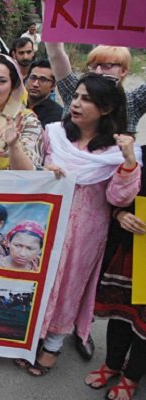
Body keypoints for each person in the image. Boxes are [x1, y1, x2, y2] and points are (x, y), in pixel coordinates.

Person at [16, 74, 142, 377]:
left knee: (70, 287)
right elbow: (31, 171)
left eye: (86, 99)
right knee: (39, 281)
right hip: (44, 225)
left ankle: (54, 346)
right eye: (76, 97)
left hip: (86, 233)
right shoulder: (54, 135)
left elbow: (118, 197)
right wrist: (44, 169)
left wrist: (127, 164)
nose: (76, 103)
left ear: (107, 108)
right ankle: (32, 337)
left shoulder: (117, 151)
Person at [84, 145, 146, 400]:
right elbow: (116, 194)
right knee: (121, 313)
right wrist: (121, 215)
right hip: (133, 250)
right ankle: (112, 364)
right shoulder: (140, 154)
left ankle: (132, 376)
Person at [47, 43, 146, 133]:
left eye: (107, 65)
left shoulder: (133, 102)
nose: (98, 72)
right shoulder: (74, 89)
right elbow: (56, 54)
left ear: (123, 70)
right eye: (93, 66)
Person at [25, 59, 63, 129]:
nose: (35, 84)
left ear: (53, 85)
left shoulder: (57, 115)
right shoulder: (14, 105)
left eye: (43, 80)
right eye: (33, 78)